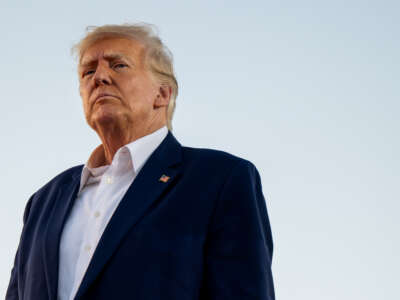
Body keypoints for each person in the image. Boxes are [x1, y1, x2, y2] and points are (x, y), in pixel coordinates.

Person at [6, 23, 275, 300]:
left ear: (163, 93)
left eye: (118, 65)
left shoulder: (221, 179)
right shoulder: (43, 201)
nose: (99, 77)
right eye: (88, 71)